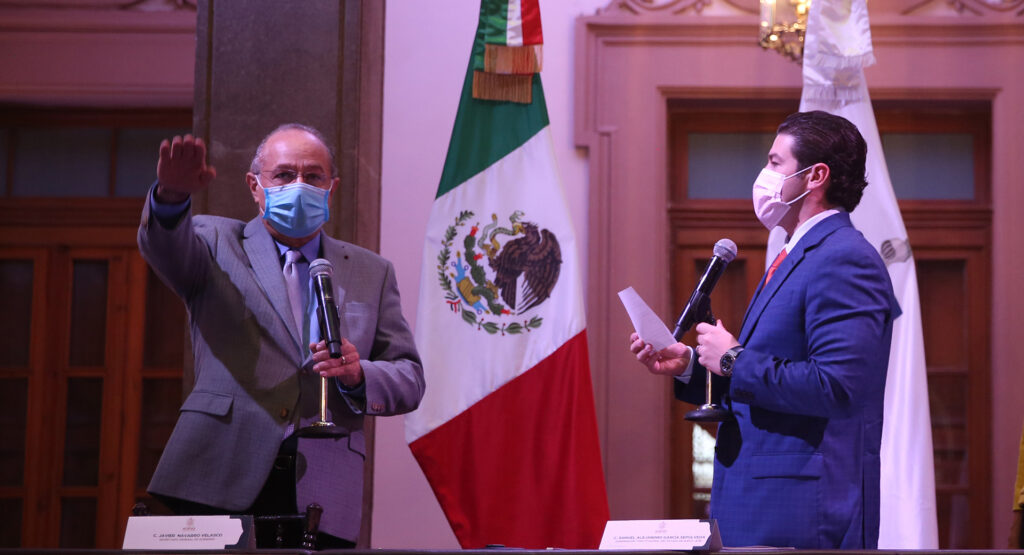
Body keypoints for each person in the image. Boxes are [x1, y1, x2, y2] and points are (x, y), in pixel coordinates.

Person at [138, 123, 425, 548]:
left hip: (322, 488)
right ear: (255, 186)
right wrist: (170, 198)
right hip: (217, 472)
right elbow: (164, 249)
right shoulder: (214, 240)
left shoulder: (371, 271)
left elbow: (409, 377)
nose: (299, 186)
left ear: (332, 188)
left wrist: (358, 374)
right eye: (285, 175)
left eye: (313, 176)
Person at [630, 111, 899, 549]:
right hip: (761, 501)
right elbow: (765, 384)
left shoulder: (845, 257)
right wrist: (691, 366)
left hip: (802, 510)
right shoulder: (796, 253)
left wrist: (734, 359)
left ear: (816, 176)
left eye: (775, 163)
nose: (764, 175)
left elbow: (837, 386)